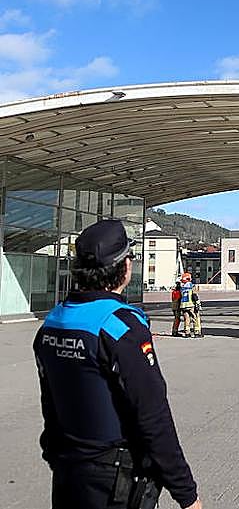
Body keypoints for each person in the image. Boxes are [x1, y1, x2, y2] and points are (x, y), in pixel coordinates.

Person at [33, 218, 201, 509]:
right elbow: (152, 414)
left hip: (69, 471)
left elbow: (49, 401)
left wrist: (53, 452)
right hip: (115, 480)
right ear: (124, 266)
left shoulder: (52, 323)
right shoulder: (119, 326)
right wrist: (186, 493)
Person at [179, 272, 198, 337]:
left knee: (186, 319)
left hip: (183, 306)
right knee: (195, 318)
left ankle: (187, 332)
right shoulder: (192, 286)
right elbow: (194, 296)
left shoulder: (182, 288)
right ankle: (196, 332)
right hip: (190, 305)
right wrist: (198, 303)